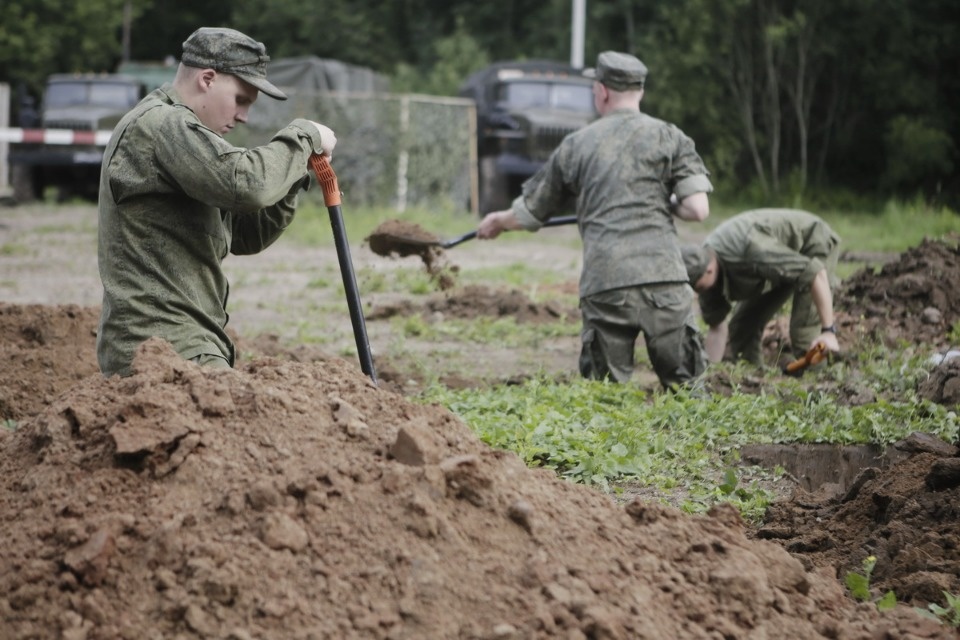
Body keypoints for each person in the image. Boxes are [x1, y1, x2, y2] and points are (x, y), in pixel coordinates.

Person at [96, 27, 337, 377]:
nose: (243, 116)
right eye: (241, 100)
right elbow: (247, 184)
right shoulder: (162, 124)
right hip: (165, 347)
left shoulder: (179, 137)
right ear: (207, 79)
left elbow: (246, 235)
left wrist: (293, 173)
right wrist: (305, 136)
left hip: (181, 343)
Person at [477, 51, 713, 389]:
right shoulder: (670, 137)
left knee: (604, 396)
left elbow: (531, 212)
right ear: (640, 91)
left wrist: (497, 222)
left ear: (601, 91)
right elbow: (698, 210)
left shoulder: (576, 144)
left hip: (606, 284)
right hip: (663, 279)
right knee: (688, 390)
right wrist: (669, 202)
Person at [681, 209, 842, 366]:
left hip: (810, 244)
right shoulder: (704, 270)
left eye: (696, 285)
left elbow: (815, 273)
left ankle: (820, 378)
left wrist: (828, 331)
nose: (695, 291)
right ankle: (754, 375)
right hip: (778, 263)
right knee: (742, 329)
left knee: (804, 334)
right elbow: (717, 327)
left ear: (709, 269)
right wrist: (709, 372)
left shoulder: (752, 249)